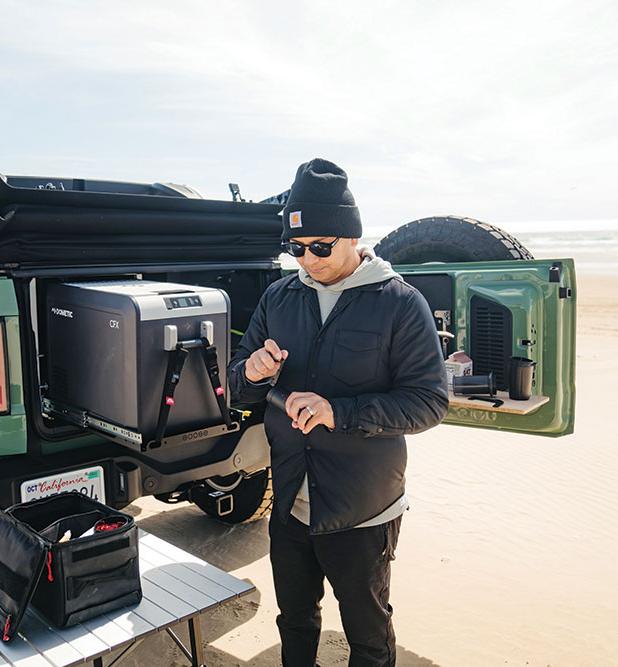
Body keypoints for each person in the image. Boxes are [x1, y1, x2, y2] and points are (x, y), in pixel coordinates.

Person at [227, 158, 449, 667]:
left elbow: (429, 401)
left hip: (362, 507)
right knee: (295, 621)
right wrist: (254, 373)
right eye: (295, 248)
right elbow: (236, 385)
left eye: (320, 247)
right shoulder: (279, 298)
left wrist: (338, 412)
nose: (307, 260)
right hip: (288, 500)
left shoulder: (399, 303)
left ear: (352, 237)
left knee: (367, 634)